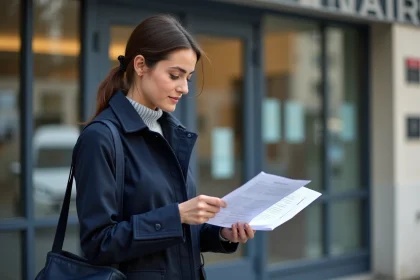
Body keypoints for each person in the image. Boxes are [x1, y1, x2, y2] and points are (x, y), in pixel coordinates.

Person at [72, 14, 255, 280]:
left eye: (188, 78)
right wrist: (176, 215)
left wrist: (221, 234)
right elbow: (99, 244)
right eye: (175, 75)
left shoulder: (171, 133)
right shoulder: (101, 138)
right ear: (141, 65)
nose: (184, 88)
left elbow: (178, 233)